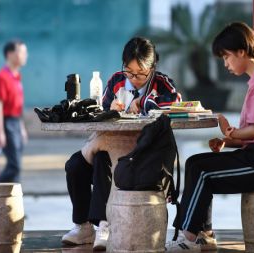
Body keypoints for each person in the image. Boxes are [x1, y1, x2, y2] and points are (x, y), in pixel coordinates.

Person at [166, 22, 254, 251]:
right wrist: (227, 141)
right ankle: (203, 235)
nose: (225, 64)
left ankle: (188, 239)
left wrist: (229, 132)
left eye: (226, 57)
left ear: (241, 51)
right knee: (195, 162)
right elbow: (253, 134)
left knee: (203, 172)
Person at [61, 37, 181, 250]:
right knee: (74, 166)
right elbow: (99, 113)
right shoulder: (116, 81)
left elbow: (175, 103)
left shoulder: (162, 83)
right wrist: (112, 112)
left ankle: (103, 225)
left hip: (142, 155)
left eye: (141, 73)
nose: (134, 79)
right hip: (110, 145)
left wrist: (141, 102)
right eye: (129, 72)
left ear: (152, 68)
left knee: (100, 158)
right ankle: (83, 226)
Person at [0, 40, 29, 183]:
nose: (25, 56)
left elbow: (18, 105)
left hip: (16, 122)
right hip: (7, 122)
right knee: (15, 166)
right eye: (21, 52)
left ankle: (11, 201)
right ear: (10, 54)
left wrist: (22, 128)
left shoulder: (17, 76)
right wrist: (0, 131)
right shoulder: (2, 77)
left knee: (15, 166)